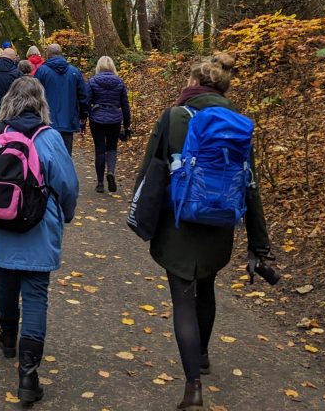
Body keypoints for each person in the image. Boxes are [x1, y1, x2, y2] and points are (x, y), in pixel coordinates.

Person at [134, 53, 272, 411]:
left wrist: (140, 215)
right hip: (220, 220)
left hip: (177, 221)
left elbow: (150, 169)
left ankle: (192, 386)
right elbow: (250, 184)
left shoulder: (174, 116)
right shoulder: (238, 124)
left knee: (183, 298)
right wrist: (259, 243)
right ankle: (204, 354)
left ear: (194, 81)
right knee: (206, 286)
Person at [0, 76, 79, 406]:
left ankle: (7, 339)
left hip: (1, 222)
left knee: (6, 277)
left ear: (8, 103)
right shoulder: (50, 137)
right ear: (41, 104)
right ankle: (28, 375)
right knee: (36, 293)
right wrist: (65, 216)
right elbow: (68, 185)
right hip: (40, 225)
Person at [33, 44, 89, 156]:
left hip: (46, 120)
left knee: (47, 155)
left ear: (47, 55)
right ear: (61, 53)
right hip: (68, 120)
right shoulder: (74, 72)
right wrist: (83, 115)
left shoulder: (42, 72)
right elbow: (83, 96)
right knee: (65, 155)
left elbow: (34, 95)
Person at [86, 56, 132, 193]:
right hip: (115, 119)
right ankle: (111, 172)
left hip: (97, 119)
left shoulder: (92, 81)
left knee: (99, 149)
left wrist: (87, 115)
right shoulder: (119, 82)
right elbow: (125, 104)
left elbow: (86, 101)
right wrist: (127, 124)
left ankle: (100, 183)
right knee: (112, 148)